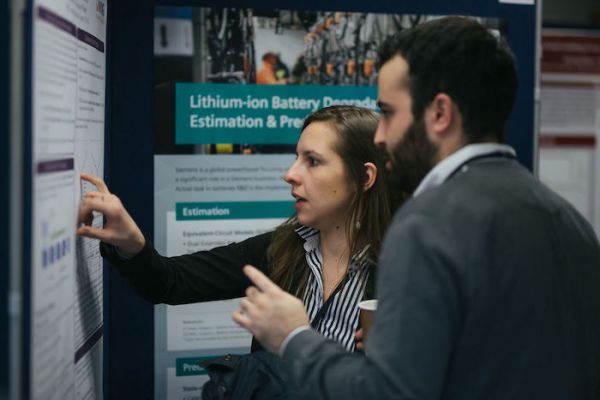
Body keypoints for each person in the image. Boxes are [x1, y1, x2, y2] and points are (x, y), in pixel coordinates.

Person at [233, 16, 600, 399]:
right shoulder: (570, 221)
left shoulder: (429, 225)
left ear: (439, 114)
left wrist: (294, 337)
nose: (379, 135)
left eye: (389, 113)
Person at [77, 105, 393, 353]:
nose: (290, 174)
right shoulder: (282, 249)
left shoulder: (405, 272)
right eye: (296, 158)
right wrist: (132, 243)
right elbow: (170, 282)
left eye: (313, 161)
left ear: (365, 178)